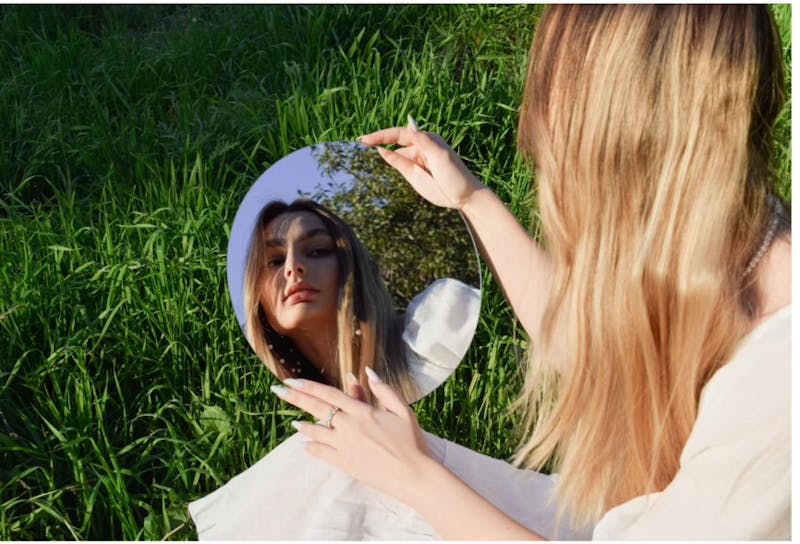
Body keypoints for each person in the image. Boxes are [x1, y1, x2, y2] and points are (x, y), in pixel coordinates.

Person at [272, 5, 791, 540]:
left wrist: (413, 476)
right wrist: (471, 201)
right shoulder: (740, 238)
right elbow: (590, 344)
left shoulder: (778, 387)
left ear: (628, 152)